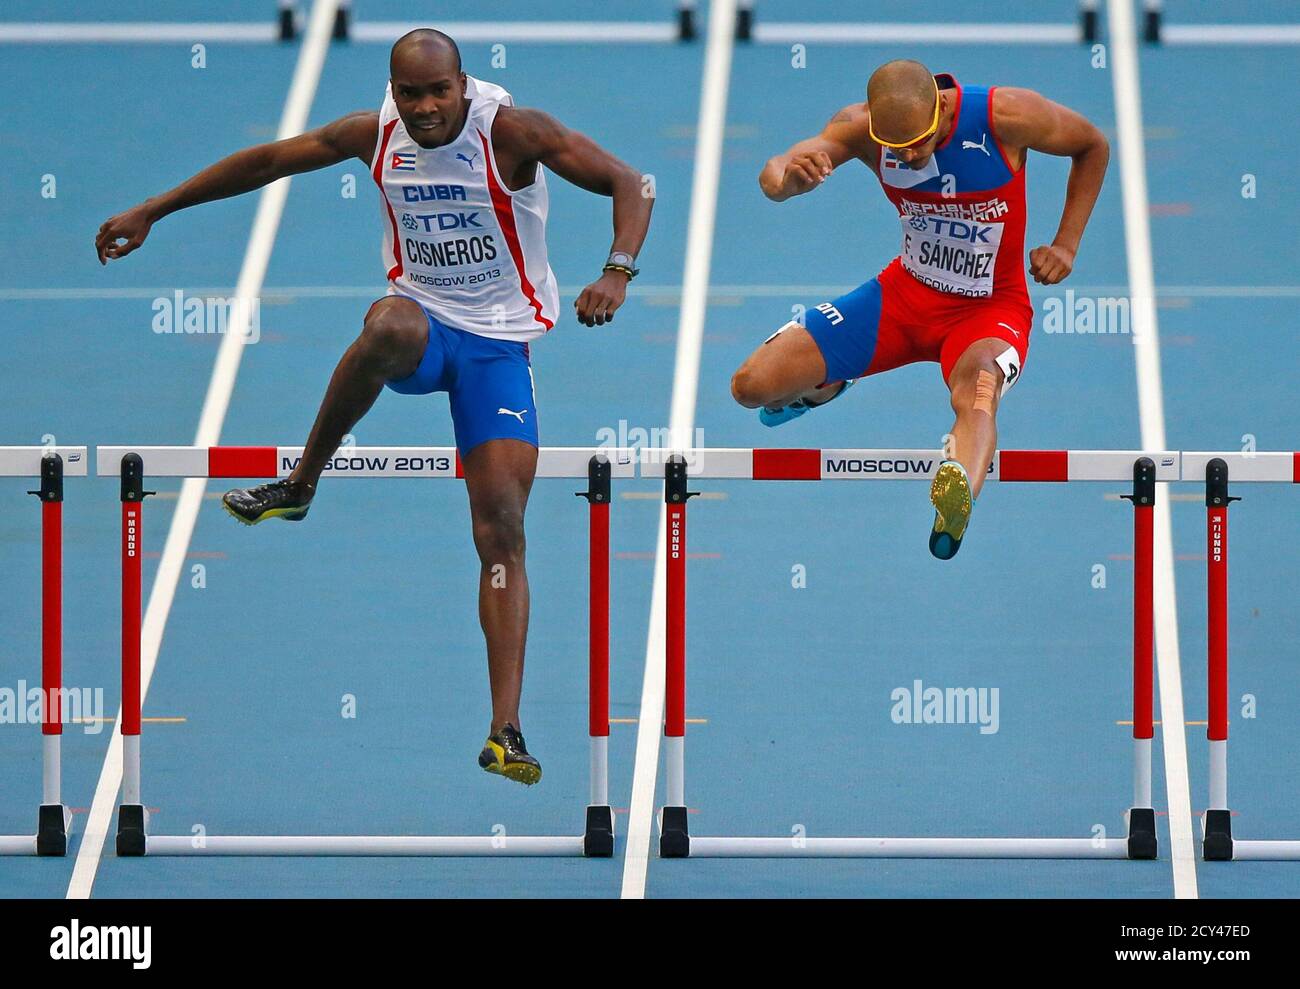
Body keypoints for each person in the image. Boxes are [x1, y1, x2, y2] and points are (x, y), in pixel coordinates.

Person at [95, 29, 653, 785]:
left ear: (463, 85)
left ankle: (505, 729)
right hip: (421, 329)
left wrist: (617, 272)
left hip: (496, 347)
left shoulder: (515, 133)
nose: (423, 108)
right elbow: (265, 162)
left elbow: (633, 183)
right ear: (393, 91)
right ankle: (300, 482)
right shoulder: (374, 133)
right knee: (387, 321)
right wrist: (155, 210)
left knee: (504, 530)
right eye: (408, 93)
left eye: (437, 92)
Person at [730, 59, 1108, 559]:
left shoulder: (1007, 116)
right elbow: (781, 165)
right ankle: (823, 387)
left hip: (988, 313)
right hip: (903, 298)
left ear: (942, 109)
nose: (907, 156)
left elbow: (1092, 145)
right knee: (750, 387)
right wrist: (785, 182)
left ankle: (957, 497)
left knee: (977, 395)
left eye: (917, 142)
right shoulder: (861, 127)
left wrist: (1066, 245)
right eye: (895, 147)